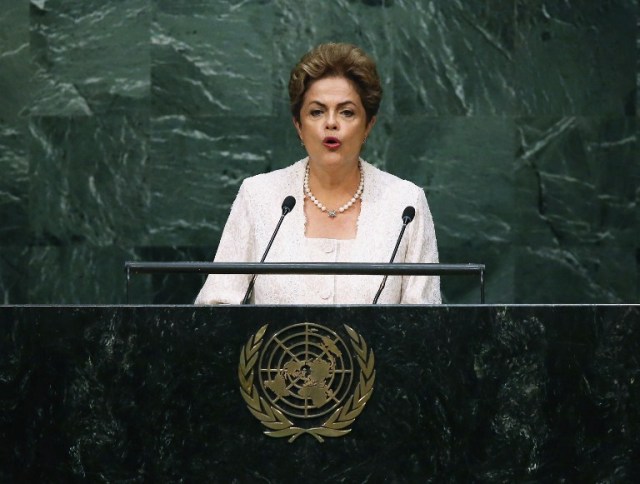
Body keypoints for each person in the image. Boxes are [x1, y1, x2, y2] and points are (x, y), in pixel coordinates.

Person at [195, 43, 440, 305]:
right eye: (317, 111)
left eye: (347, 112)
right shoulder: (258, 197)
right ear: (298, 126)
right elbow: (216, 311)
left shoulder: (405, 204)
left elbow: (423, 325)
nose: (331, 123)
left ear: (368, 125)